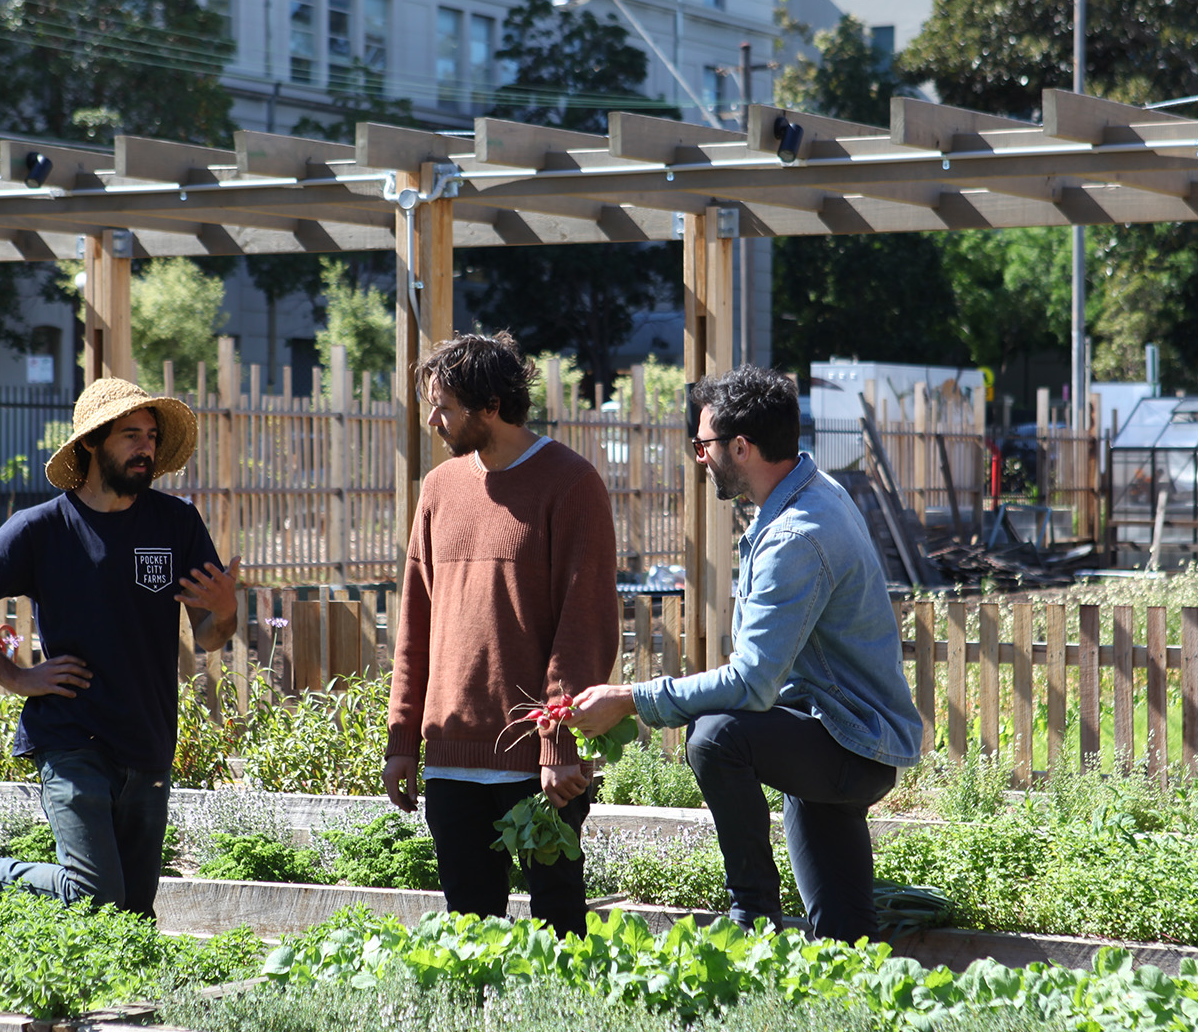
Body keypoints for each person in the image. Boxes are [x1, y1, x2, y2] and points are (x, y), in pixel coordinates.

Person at [571, 364, 922, 942]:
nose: (698, 456)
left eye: (703, 444)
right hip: (830, 731)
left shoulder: (796, 536)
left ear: (741, 446)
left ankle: (751, 919)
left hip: (845, 743)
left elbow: (753, 685)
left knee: (715, 736)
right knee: (845, 939)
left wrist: (631, 698)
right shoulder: (812, 492)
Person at [0, 377, 240, 917]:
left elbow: (209, 633)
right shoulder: (40, 529)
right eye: (131, 435)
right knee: (94, 897)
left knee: (129, 918)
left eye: (152, 436)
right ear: (91, 442)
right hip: (73, 739)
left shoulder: (176, 522)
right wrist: (18, 678)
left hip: (149, 739)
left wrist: (226, 611)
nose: (147, 448)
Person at [383, 332, 619, 936]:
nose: (434, 419)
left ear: (489, 405)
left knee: (560, 925)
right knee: (469, 931)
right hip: (452, 758)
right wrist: (403, 739)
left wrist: (558, 745)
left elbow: (584, 625)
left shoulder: (570, 484)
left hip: (536, 765)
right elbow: (415, 623)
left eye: (445, 406)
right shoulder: (439, 489)